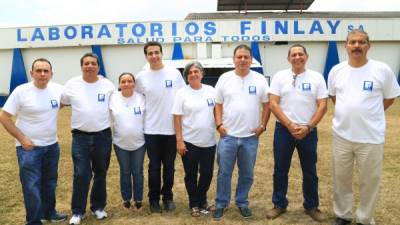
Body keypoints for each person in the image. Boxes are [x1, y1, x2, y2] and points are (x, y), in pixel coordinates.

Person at [328, 29, 400, 225]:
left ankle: (365, 218)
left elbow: (390, 98)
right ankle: (343, 215)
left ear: (369, 46)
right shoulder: (336, 70)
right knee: (341, 179)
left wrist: (370, 114)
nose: (357, 46)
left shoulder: (382, 70)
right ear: (346, 46)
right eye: (353, 42)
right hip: (341, 135)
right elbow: (334, 97)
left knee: (370, 181)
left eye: (361, 42)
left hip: (371, 137)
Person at [0, 58, 67, 225]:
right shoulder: (21, 91)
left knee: (50, 183)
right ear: (32, 73)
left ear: (51, 74)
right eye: (39, 71)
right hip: (29, 148)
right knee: (31, 186)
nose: (42, 74)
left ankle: (49, 213)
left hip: (52, 146)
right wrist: (22, 139)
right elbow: (4, 116)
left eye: (46, 71)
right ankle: (34, 221)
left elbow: (65, 101)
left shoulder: (58, 89)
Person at [266, 44, 327, 222]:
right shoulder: (279, 76)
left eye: (301, 54)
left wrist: (308, 127)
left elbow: (323, 106)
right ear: (288, 58)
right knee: (280, 169)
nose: (297, 57)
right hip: (284, 130)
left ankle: (311, 206)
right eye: (293, 54)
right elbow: (273, 104)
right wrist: (290, 125)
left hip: (308, 131)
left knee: (309, 170)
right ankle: (279, 204)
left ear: (306, 57)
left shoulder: (317, 77)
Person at [213, 44, 271, 220]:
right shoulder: (224, 78)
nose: (243, 60)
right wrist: (218, 125)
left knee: (247, 173)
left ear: (251, 60)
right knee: (224, 172)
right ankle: (221, 204)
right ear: (234, 60)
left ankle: (242, 202)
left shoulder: (260, 79)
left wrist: (262, 126)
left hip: (250, 137)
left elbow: (267, 105)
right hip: (228, 136)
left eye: (246, 57)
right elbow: (218, 104)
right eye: (239, 57)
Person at [61, 53, 115, 225]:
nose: (90, 66)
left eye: (93, 63)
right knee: (81, 174)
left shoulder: (107, 84)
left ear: (98, 67)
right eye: (86, 63)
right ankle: (77, 212)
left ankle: (98, 207)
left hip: (103, 136)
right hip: (80, 137)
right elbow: (60, 102)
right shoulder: (72, 84)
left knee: (100, 173)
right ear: (81, 66)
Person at [135, 41, 185, 213]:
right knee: (154, 167)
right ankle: (154, 199)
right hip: (151, 130)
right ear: (146, 56)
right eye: (150, 53)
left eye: (157, 52)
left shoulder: (174, 74)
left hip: (171, 130)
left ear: (162, 53)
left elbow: (182, 98)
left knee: (169, 167)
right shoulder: (141, 77)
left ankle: (168, 197)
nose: (154, 56)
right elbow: (137, 99)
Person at [171, 61, 217, 217]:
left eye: (196, 71)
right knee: (191, 174)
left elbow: (218, 112)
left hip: (209, 141)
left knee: (207, 173)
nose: (193, 74)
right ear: (186, 77)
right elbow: (177, 118)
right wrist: (179, 140)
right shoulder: (181, 93)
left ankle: (202, 200)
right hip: (189, 142)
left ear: (202, 74)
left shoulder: (211, 91)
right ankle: (194, 203)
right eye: (189, 73)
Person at [110, 72, 145, 211]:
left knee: (137, 172)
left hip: (139, 143)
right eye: (123, 81)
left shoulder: (141, 98)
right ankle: (126, 199)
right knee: (125, 172)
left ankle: (138, 199)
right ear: (119, 84)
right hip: (120, 143)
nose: (126, 84)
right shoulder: (113, 98)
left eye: (129, 81)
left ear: (134, 83)